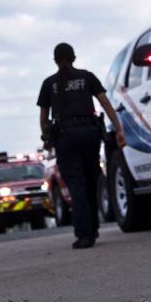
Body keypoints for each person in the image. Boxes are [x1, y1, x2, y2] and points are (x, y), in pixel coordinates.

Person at [38, 42, 125, 249]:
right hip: (89, 134)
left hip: (65, 137)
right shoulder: (87, 77)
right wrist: (119, 129)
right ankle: (93, 229)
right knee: (90, 183)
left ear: (55, 60)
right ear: (74, 57)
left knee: (76, 185)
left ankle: (84, 234)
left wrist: (47, 138)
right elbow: (104, 102)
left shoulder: (49, 83)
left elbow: (43, 117)